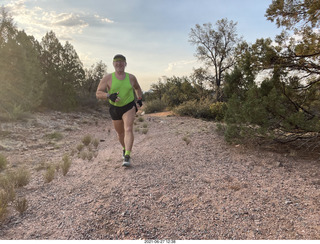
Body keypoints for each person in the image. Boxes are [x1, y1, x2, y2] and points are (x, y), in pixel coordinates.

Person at [96, 54, 143, 167]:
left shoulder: (131, 77)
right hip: (114, 108)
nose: (119, 63)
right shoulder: (107, 78)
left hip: (129, 106)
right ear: (113, 64)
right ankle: (124, 148)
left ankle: (127, 155)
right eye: (116, 61)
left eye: (122, 61)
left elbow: (137, 88)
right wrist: (108, 96)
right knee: (120, 133)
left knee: (128, 128)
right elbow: (98, 93)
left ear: (125, 64)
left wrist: (139, 99)